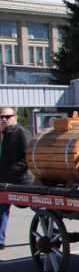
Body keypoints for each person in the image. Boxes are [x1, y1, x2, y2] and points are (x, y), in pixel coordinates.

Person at [0, 107, 34, 250]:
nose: (4, 119)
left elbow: (28, 157)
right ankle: (0, 241)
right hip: (6, 180)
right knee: (2, 210)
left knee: (38, 206)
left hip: (23, 180)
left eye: (8, 116)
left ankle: (53, 229)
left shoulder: (22, 133)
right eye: (2, 117)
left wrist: (10, 169)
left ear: (16, 117)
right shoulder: (6, 134)